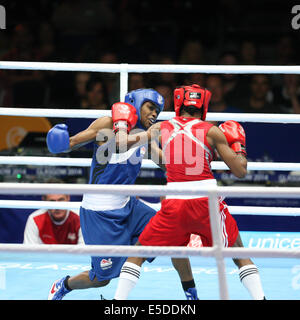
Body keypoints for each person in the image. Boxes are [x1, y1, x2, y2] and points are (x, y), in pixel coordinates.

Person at [112, 84, 266, 300]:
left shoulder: (161, 128)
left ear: (178, 103)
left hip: (174, 203)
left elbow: (123, 145)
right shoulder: (212, 131)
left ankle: (117, 303)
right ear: (203, 106)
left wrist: (134, 136)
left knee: (137, 254)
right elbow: (240, 170)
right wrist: (238, 145)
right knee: (238, 253)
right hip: (206, 202)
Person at [46, 88, 198, 300]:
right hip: (99, 213)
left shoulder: (147, 135)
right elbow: (71, 144)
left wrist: (189, 166)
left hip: (129, 206)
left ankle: (192, 295)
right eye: (150, 107)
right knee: (100, 278)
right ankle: (65, 284)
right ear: (135, 102)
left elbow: (165, 164)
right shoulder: (107, 124)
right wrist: (59, 142)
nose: (154, 114)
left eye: (158, 111)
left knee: (175, 236)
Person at [23, 178, 83, 245]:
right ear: (44, 201)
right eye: (52, 201)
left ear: (68, 198)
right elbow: (30, 253)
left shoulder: (80, 218)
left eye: (61, 200)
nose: (57, 206)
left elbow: (85, 253)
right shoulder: (35, 220)